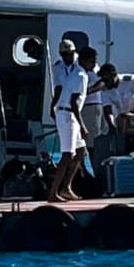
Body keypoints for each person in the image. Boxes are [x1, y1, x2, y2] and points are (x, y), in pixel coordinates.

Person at [47, 33, 91, 199]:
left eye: (70, 54)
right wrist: (84, 127)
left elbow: (62, 90)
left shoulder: (75, 72)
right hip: (68, 115)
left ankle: (66, 187)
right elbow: (72, 101)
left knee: (80, 152)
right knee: (68, 155)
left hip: (68, 114)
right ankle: (53, 192)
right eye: (64, 54)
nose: (67, 57)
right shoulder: (78, 75)